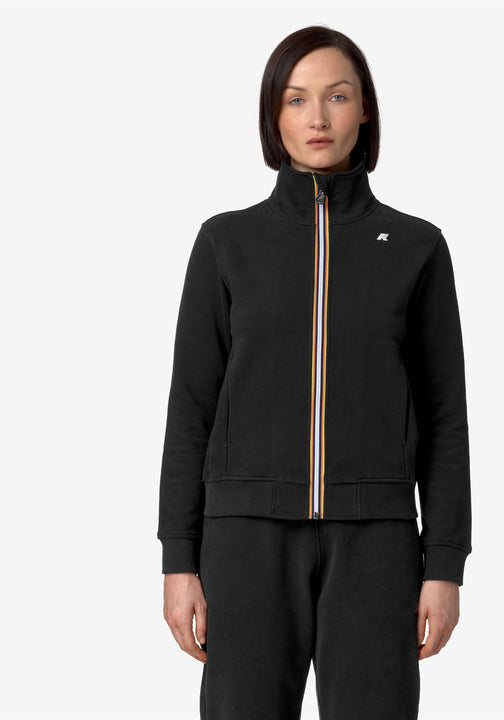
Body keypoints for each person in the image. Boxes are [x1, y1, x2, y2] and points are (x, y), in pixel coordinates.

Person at [157, 25, 472, 720]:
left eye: (337, 96)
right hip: (245, 543)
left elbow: (444, 416)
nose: (318, 117)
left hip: (377, 545)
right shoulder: (225, 242)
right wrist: (179, 558)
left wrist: (445, 563)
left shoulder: (417, 247)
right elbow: (191, 409)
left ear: (366, 109)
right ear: (274, 114)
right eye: (297, 99)